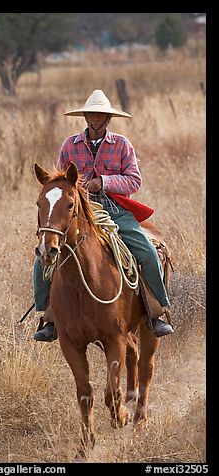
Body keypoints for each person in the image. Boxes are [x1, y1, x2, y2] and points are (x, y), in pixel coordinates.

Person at [32, 89, 174, 341]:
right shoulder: (69, 145)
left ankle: (156, 312)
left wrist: (104, 182)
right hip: (78, 215)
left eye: (100, 115)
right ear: (85, 116)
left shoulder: (121, 145)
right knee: (42, 258)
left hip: (116, 211)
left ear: (108, 118)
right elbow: (60, 181)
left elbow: (134, 181)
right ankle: (48, 318)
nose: (95, 119)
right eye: (91, 114)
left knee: (147, 252)